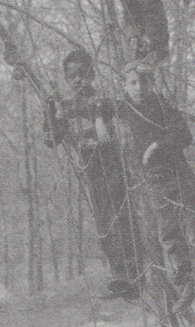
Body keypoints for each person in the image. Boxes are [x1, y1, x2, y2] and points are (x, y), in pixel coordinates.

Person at [43, 49, 144, 298]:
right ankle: (120, 275)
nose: (78, 80)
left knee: (121, 216)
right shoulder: (64, 107)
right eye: (72, 76)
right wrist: (50, 108)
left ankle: (135, 275)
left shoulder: (104, 99)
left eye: (83, 74)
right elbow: (52, 138)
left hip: (112, 160)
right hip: (91, 165)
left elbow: (111, 110)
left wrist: (99, 117)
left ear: (92, 75)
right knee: (104, 221)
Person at [117, 64, 195, 319]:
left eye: (143, 83)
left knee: (194, 229)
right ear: (125, 85)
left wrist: (156, 146)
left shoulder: (163, 107)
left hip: (177, 174)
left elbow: (184, 135)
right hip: (153, 181)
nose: (138, 88)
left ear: (151, 84)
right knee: (168, 235)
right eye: (133, 83)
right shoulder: (123, 108)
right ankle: (188, 284)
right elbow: (94, 107)